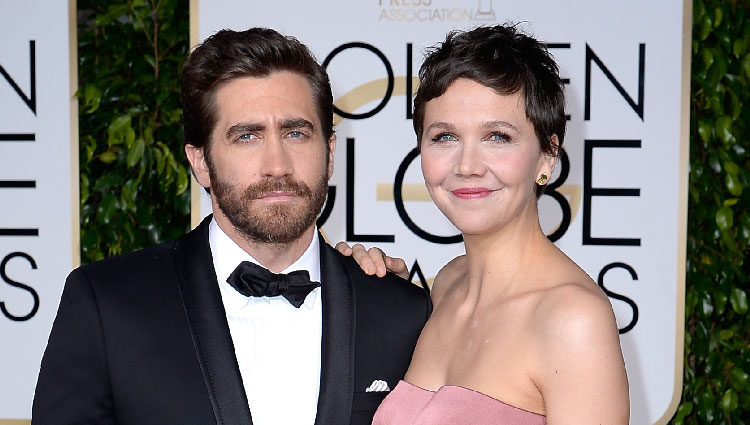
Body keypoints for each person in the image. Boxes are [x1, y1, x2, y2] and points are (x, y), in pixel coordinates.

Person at [32, 28, 431, 425]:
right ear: (200, 162)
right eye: (247, 137)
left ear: (329, 153)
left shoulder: (401, 313)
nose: (278, 165)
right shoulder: (108, 305)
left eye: (295, 133)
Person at [339, 25, 629, 424]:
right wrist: (369, 297)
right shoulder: (447, 284)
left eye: (497, 136)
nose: (468, 166)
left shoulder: (573, 320)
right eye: (444, 137)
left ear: (547, 155)